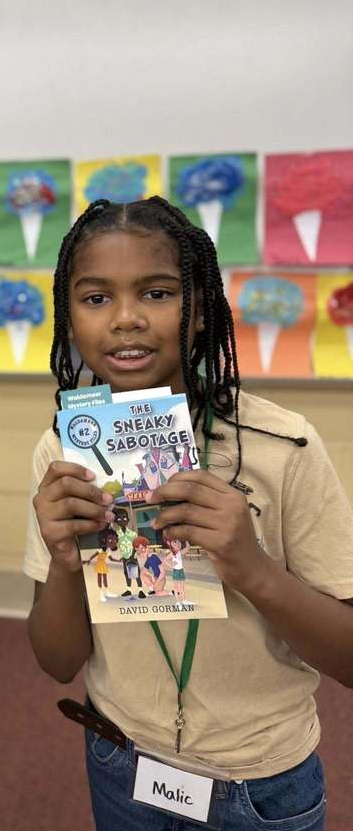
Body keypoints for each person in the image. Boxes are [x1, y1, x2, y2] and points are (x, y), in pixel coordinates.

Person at [24, 196, 353, 830]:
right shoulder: (65, 451)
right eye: (95, 299)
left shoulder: (282, 446)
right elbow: (57, 660)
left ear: (201, 311)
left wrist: (251, 566)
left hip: (260, 780)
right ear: (69, 316)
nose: (125, 320)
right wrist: (66, 562)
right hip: (122, 757)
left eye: (157, 293)